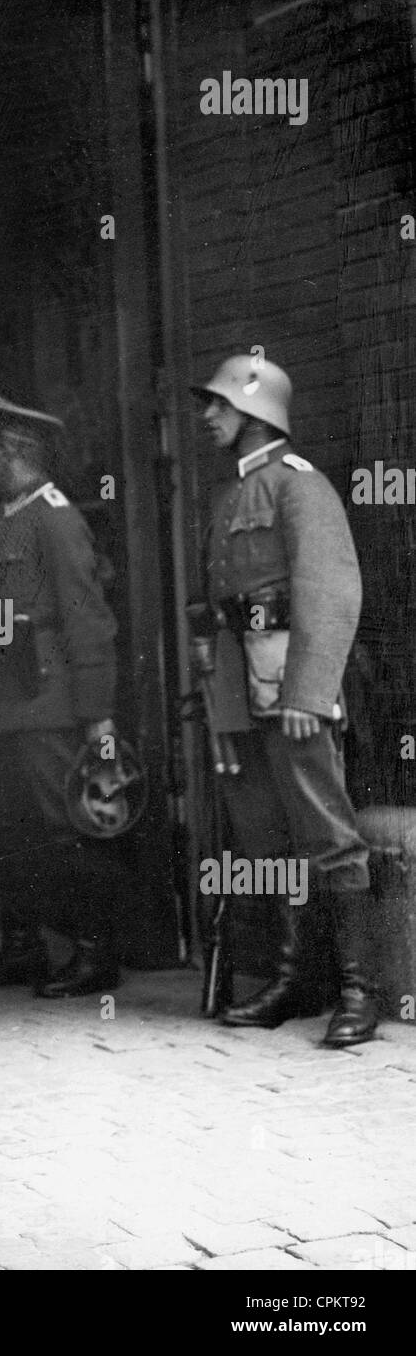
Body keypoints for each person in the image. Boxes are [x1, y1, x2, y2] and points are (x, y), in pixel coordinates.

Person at [192, 353, 377, 1047]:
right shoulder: (228, 496)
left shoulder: (301, 488)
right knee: (266, 839)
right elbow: (215, 601)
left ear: (254, 409)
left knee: (327, 835)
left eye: (218, 406)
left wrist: (309, 690)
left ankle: (356, 990)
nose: (209, 417)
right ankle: (296, 977)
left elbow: (330, 594)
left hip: (289, 685)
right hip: (239, 690)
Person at [0, 391, 122, 997]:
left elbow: (89, 619)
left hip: (47, 703)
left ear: (14, 452)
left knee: (69, 825)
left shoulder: (54, 519)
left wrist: (97, 715)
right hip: (3, 705)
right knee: (7, 831)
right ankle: (22, 948)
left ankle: (95, 954)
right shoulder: (8, 519)